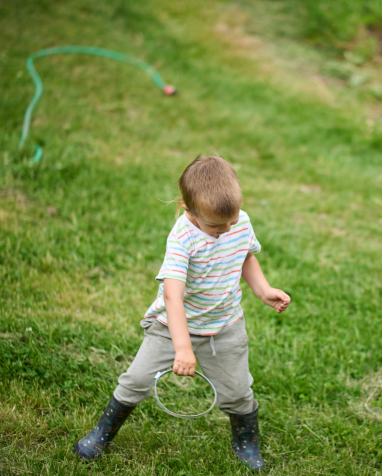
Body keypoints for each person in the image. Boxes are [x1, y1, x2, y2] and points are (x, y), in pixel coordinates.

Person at [73, 155, 290, 471]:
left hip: (225, 326)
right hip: (170, 328)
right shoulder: (182, 239)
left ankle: (246, 442)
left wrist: (263, 289)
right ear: (188, 210)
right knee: (136, 380)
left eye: (230, 221)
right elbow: (173, 297)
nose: (226, 229)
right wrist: (183, 347)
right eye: (216, 225)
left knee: (238, 391)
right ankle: (102, 433)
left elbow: (244, 255)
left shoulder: (239, 222)